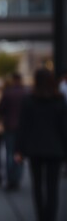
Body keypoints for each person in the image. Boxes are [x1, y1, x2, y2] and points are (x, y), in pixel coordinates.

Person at [15, 68, 67, 221]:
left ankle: (41, 216)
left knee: (37, 185)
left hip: (35, 149)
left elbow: (23, 126)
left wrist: (19, 150)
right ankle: (50, 216)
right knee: (53, 187)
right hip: (55, 149)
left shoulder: (29, 100)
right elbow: (64, 127)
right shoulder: (59, 100)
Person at [0, 72, 27, 191]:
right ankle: (17, 177)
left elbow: (0, 109)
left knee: (9, 153)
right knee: (19, 154)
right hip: (22, 128)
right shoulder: (26, 93)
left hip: (9, 126)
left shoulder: (7, 93)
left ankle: (10, 179)